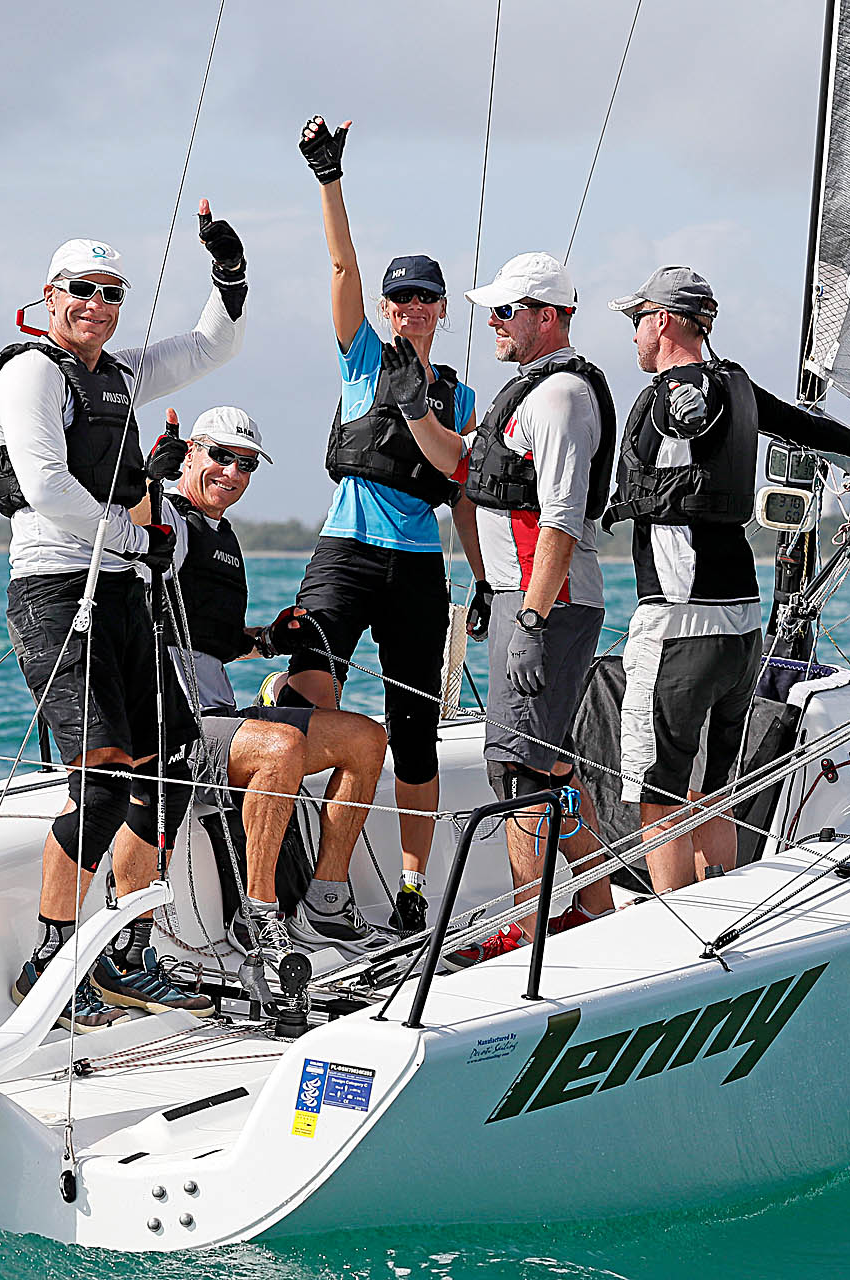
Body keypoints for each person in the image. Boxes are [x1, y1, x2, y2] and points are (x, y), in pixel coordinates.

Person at [0, 207, 247, 1031]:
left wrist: (228, 272)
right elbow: (47, 487)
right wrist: (141, 532)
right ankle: (50, 962)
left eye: (113, 293)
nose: (99, 304)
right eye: (85, 291)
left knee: (166, 769)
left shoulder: (118, 375)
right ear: (51, 297)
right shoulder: (34, 374)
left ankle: (130, 954)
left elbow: (210, 348)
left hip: (126, 590)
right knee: (99, 784)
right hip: (60, 592)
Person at [602, 266, 850, 892]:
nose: (632, 334)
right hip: (742, 621)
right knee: (712, 789)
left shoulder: (678, 391)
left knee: (656, 789)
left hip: (680, 619)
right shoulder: (735, 385)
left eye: (637, 320)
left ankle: (675, 929)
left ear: (663, 320)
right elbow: (803, 426)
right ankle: (720, 908)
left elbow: (685, 438)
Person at [269, 115, 481, 937]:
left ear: (439, 311)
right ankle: (298, 858)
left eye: (425, 299)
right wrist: (330, 177)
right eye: (401, 298)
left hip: (418, 570)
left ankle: (411, 890)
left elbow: (463, 490)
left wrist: (489, 581)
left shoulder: (460, 396)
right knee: (310, 697)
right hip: (346, 553)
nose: (412, 309)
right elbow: (340, 263)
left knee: (416, 733)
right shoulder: (361, 355)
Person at [142, 406, 395, 965]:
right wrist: (148, 479)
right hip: (173, 725)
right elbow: (129, 529)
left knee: (365, 739)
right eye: (221, 456)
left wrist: (269, 639)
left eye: (247, 464)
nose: (233, 472)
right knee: (280, 748)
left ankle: (326, 903)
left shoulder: (223, 537)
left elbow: (216, 642)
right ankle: (257, 916)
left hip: (220, 713)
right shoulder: (169, 521)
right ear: (191, 452)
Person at [447, 252, 619, 967]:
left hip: (548, 601)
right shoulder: (526, 394)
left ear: (547, 317)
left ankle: (526, 930)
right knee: (547, 767)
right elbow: (461, 465)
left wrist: (531, 622)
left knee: (517, 770)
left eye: (506, 311)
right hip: (526, 596)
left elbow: (560, 522)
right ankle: (599, 907)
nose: (493, 322)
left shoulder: (559, 398)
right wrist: (410, 410)